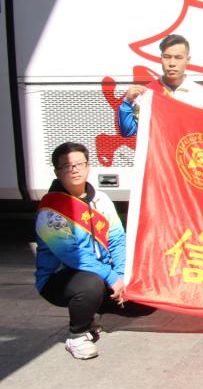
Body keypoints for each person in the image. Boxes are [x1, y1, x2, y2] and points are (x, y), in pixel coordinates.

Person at [35, 143, 152, 359]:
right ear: (57, 172)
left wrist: (122, 276)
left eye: (79, 164)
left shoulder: (101, 199)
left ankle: (91, 308)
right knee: (91, 283)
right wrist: (111, 277)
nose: (75, 170)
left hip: (100, 274)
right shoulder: (50, 210)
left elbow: (117, 239)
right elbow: (74, 256)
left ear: (88, 166)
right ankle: (77, 334)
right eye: (67, 166)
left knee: (144, 298)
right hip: (59, 279)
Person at [117, 34, 203, 137]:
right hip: (157, 147)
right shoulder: (148, 92)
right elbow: (127, 131)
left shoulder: (200, 93)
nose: (172, 63)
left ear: (188, 60)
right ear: (161, 58)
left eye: (178, 58)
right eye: (167, 57)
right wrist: (127, 102)